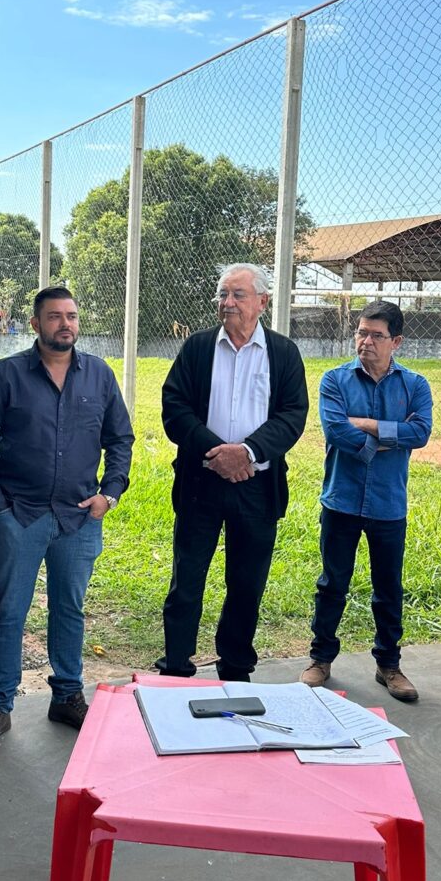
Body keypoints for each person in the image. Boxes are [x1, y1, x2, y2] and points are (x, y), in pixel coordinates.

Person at [0, 286, 134, 752]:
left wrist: (110, 495)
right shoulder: (6, 375)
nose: (66, 324)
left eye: (72, 316)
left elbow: (120, 439)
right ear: (36, 323)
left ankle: (66, 695)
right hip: (19, 514)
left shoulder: (99, 375)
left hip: (79, 517)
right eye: (55, 316)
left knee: (69, 607)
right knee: (10, 611)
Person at [156, 263, 308, 681]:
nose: (228, 303)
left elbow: (293, 415)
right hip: (200, 481)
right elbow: (175, 408)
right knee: (187, 579)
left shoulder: (283, 353)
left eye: (238, 295)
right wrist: (216, 452)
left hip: (257, 486)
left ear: (263, 301)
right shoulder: (198, 348)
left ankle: (236, 666)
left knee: (246, 583)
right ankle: (176, 665)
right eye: (223, 294)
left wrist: (248, 452)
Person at [300, 301, 432, 701]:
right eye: (361, 332)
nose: (366, 341)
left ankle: (388, 666)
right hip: (341, 500)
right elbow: (337, 431)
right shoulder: (335, 380)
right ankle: (320, 660)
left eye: (376, 335)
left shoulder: (415, 385)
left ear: (397, 341)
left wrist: (369, 424)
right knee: (331, 583)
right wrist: (392, 435)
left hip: (388, 505)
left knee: (388, 587)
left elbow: (422, 432)